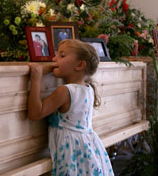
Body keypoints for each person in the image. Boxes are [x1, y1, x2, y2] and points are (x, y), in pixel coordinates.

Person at [28, 39, 114, 175]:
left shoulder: (65, 91)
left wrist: (36, 78)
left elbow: (35, 114)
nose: (54, 58)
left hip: (72, 151)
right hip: (87, 147)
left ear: (80, 65)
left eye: (62, 56)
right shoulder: (88, 88)